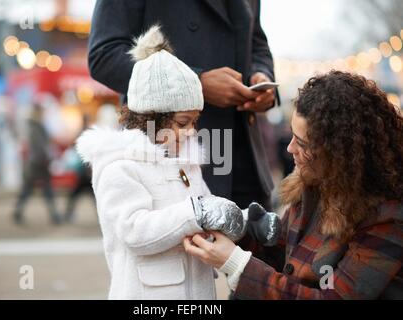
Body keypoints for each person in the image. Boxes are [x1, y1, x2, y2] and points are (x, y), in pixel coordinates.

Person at [76, 26, 279, 300]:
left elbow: (209, 211)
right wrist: (195, 213)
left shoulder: (186, 162)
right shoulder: (120, 166)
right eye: (183, 123)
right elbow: (134, 231)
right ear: (151, 118)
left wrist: (245, 221)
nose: (192, 131)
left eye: (195, 122)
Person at [184, 71, 403, 299]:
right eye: (292, 136)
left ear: (341, 153)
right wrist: (239, 230)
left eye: (302, 143)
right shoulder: (315, 185)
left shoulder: (389, 218)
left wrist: (237, 264)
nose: (289, 149)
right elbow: (283, 258)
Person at [88, 0, 278, 210]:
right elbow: (105, 55)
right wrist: (197, 82)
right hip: (170, 158)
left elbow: (256, 43)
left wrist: (263, 78)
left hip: (245, 160)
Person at [13, 104, 61, 225]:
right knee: (41, 189)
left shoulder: (34, 125)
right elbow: (39, 146)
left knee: (32, 189)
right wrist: (46, 158)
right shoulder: (35, 126)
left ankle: (18, 212)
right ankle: (53, 215)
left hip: (36, 163)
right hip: (38, 163)